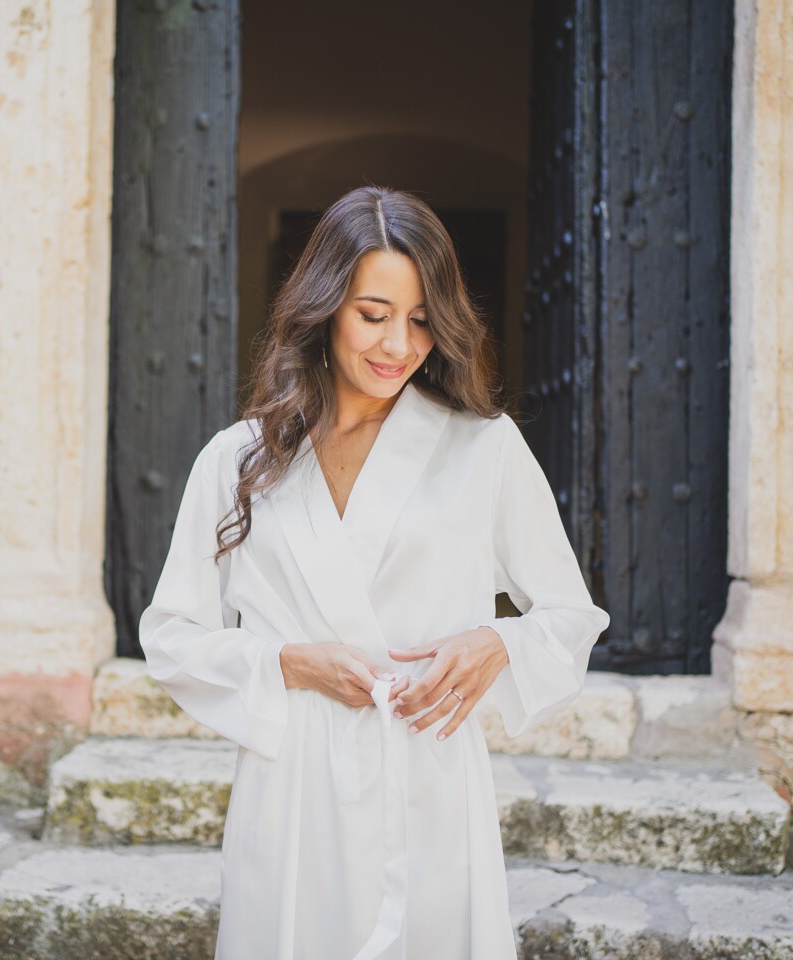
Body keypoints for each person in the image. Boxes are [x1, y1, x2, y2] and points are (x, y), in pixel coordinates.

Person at [138, 185, 611, 960]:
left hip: (429, 774)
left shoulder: (482, 447)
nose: (399, 343)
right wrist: (289, 664)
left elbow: (569, 616)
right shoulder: (238, 460)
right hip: (292, 789)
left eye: (422, 318)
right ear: (325, 307)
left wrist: (497, 643)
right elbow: (172, 637)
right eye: (373, 313)